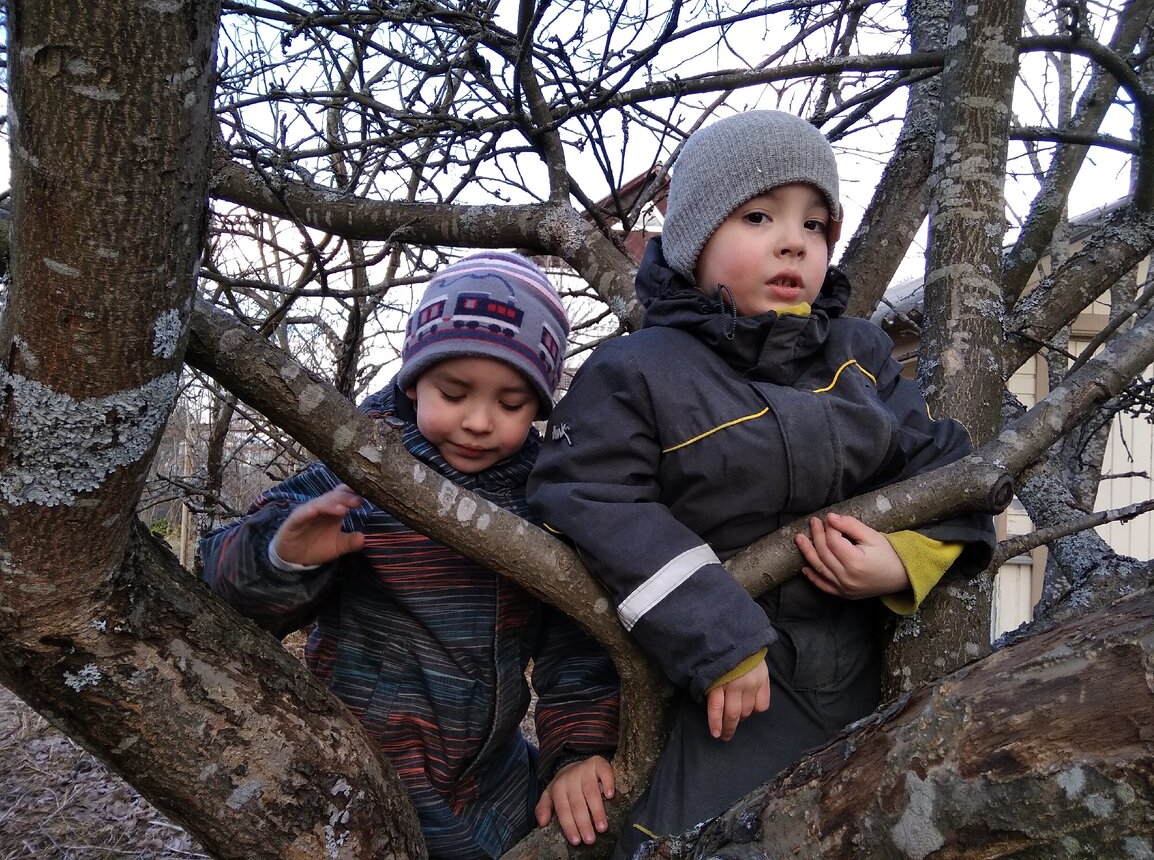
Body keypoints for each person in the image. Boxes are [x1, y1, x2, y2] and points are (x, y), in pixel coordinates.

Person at [526, 110, 996, 857]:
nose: (793, 241)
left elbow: (957, 477)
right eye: (758, 216)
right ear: (693, 238)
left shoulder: (860, 356)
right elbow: (588, 509)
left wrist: (903, 560)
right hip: (698, 699)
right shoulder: (638, 371)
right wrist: (717, 631)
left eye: (815, 226)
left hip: (851, 687)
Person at [202, 252, 620, 860]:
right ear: (413, 380)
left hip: (488, 782)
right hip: (349, 766)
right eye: (454, 393)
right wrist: (284, 554)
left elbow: (575, 640)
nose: (479, 421)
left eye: (511, 404)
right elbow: (222, 581)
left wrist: (579, 752)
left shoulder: (542, 499)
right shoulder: (363, 464)